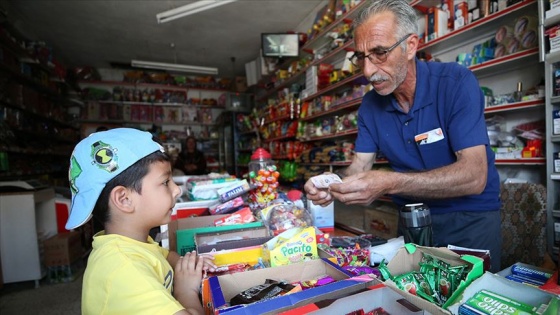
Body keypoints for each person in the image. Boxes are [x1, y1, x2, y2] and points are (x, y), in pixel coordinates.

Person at [304, 0, 502, 272]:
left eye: (380, 53)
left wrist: (388, 182)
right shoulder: (370, 106)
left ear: (410, 46)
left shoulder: (456, 83)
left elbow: (474, 175)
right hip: (408, 222)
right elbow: (360, 166)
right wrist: (332, 184)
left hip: (469, 220)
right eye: (361, 57)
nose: (368, 71)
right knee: (409, 301)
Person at [66, 128, 215, 314]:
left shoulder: (133, 241)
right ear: (124, 199)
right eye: (165, 182)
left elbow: (165, 257)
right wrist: (185, 290)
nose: (177, 190)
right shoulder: (124, 269)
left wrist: (192, 264)